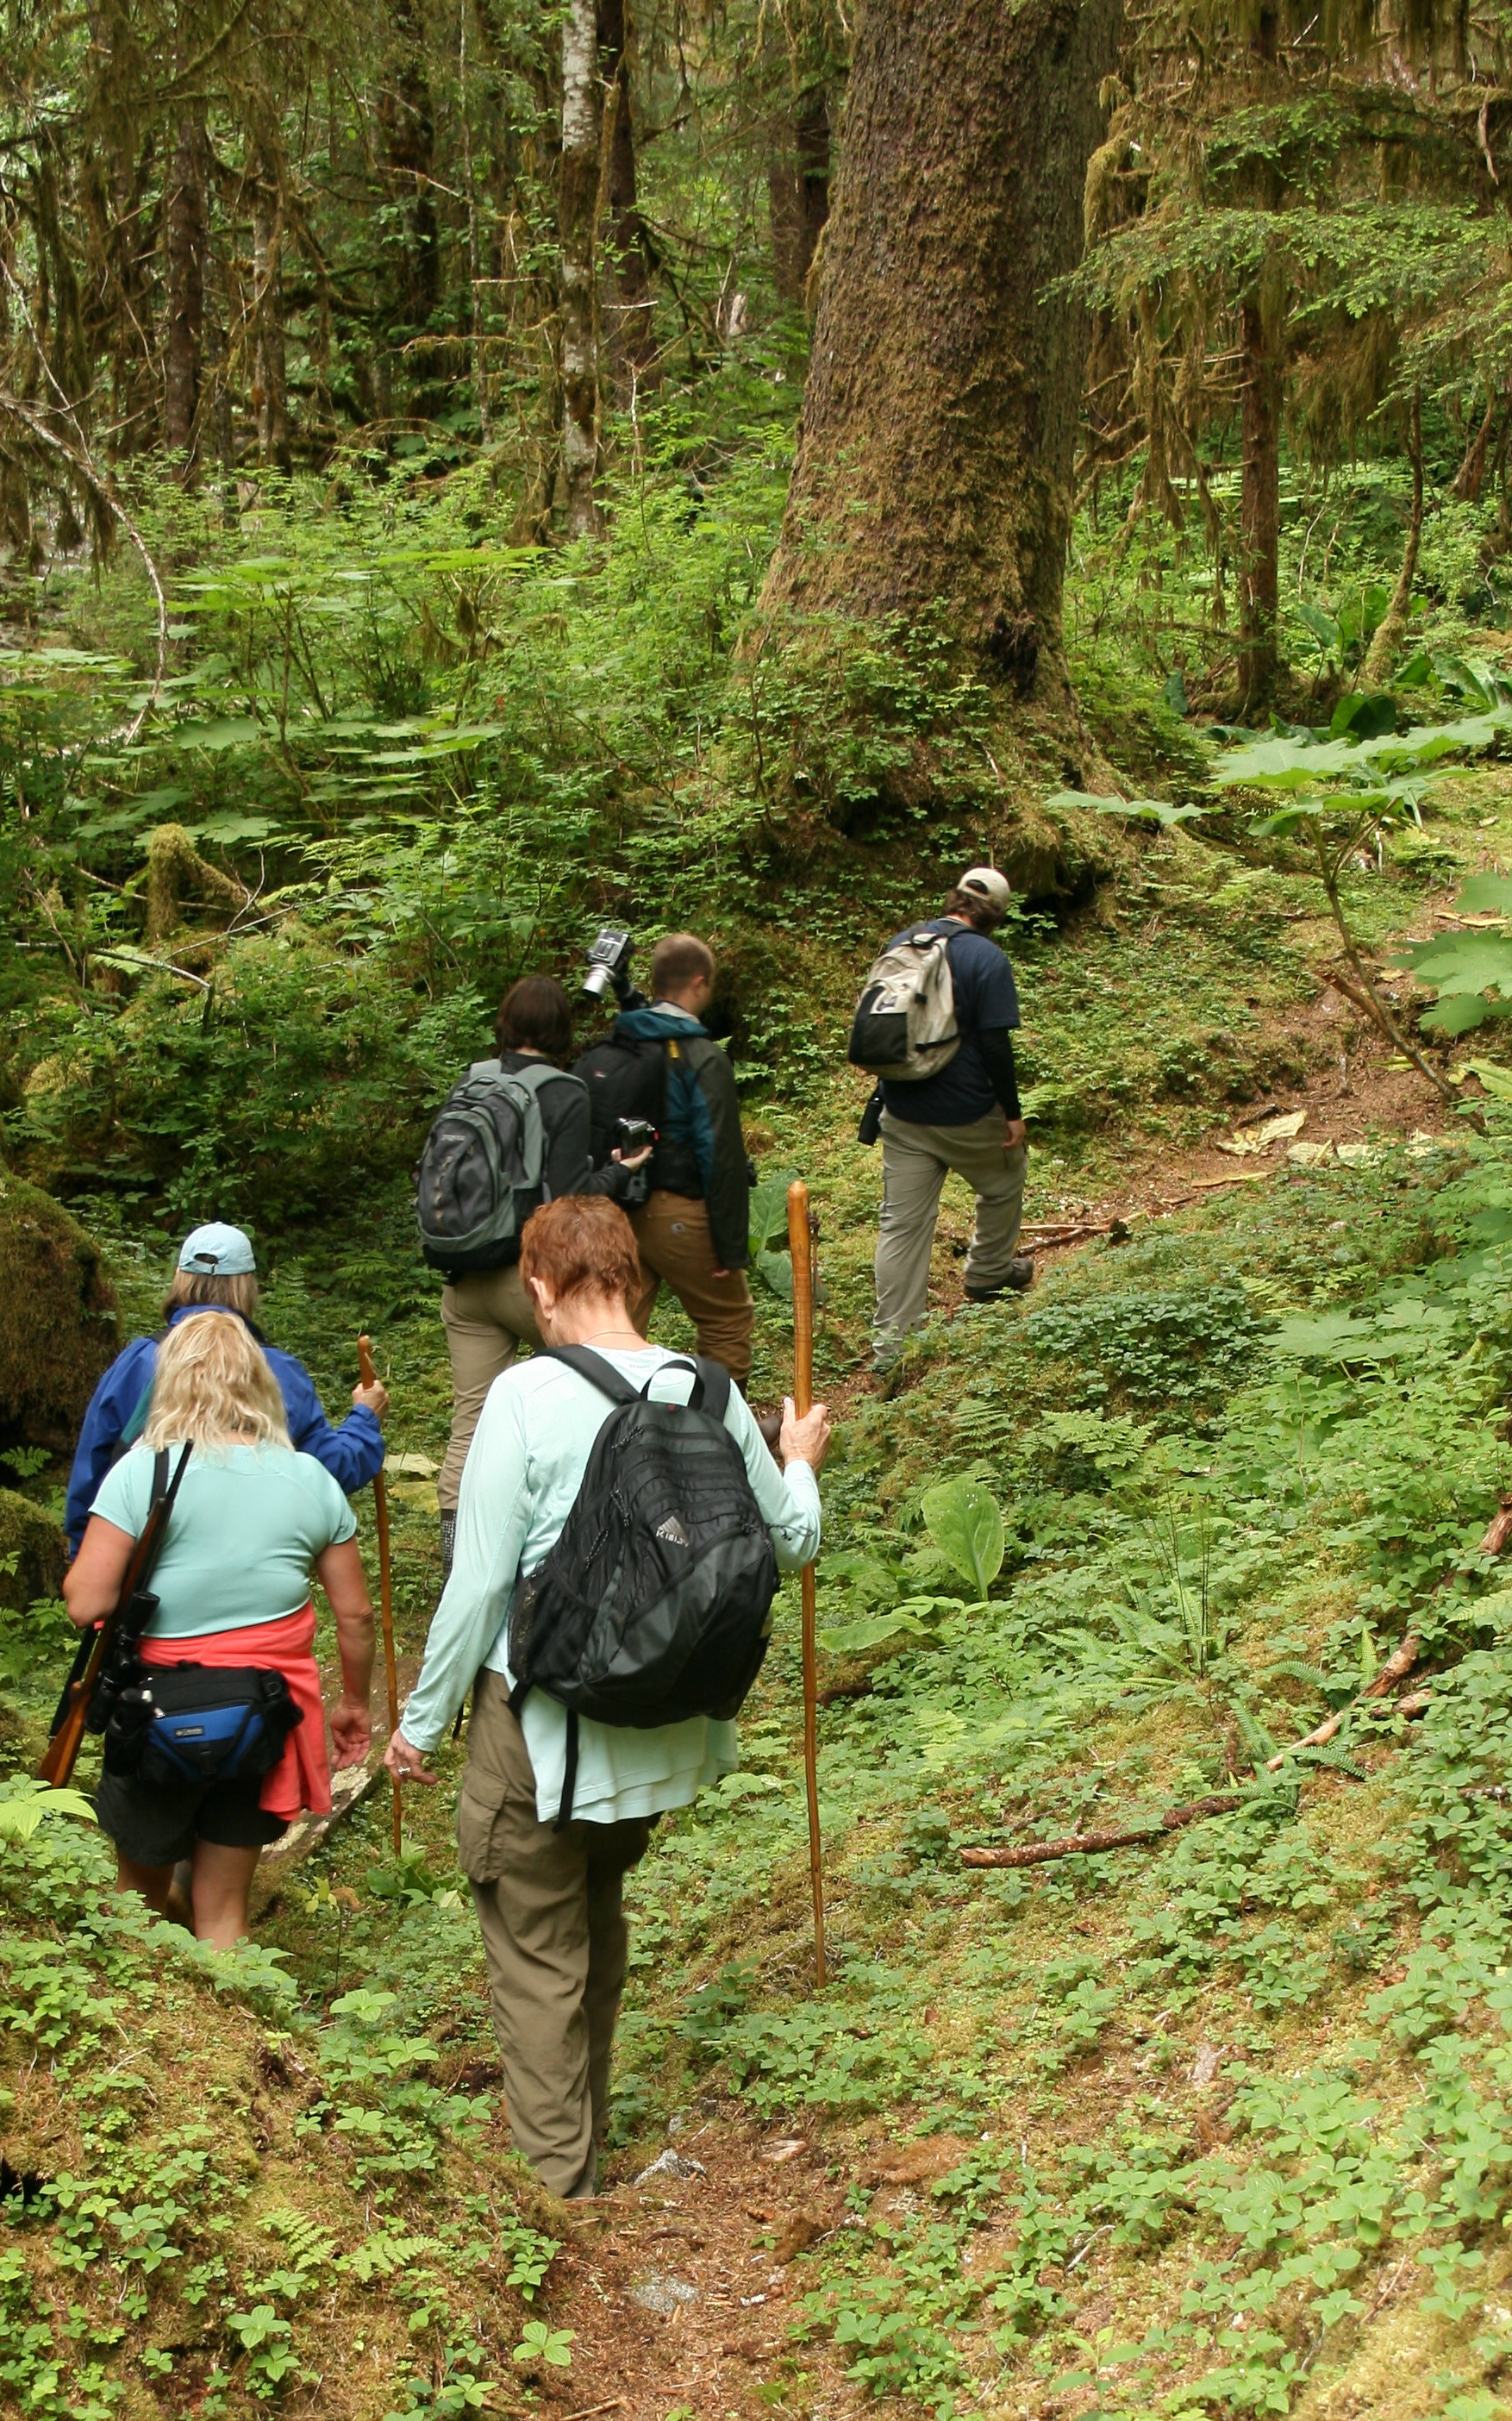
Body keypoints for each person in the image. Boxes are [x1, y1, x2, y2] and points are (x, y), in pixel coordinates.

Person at [387, 1194, 829, 2199]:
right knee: (594, 1912)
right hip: (658, 1732)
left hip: (542, 1733)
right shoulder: (708, 1389)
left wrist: (419, 1725)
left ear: (540, 1288)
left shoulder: (525, 1397)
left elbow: (481, 1584)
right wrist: (799, 1464)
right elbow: (790, 1544)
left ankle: (561, 2197)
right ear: (633, 1278)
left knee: (539, 1951)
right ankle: (577, 2150)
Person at [63, 1309, 376, 1950]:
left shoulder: (143, 1473)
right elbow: (356, 1615)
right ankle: (230, 2030)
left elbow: (83, 1603)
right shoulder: (310, 1478)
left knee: (139, 1900)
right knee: (224, 1906)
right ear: (259, 1382)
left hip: (151, 1712)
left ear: (172, 1381)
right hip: (263, 1714)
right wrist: (353, 1704)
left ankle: (148, 2027)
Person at [435, 975, 647, 1555]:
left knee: (471, 1422)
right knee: (603, 1385)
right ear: (560, 1029)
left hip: (465, 1280)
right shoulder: (564, 1091)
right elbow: (569, 1203)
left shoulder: (472, 1079)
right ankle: (599, 1534)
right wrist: (622, 1171)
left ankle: (459, 1554)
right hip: (530, 1284)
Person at [64, 1222, 384, 1558]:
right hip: (252, 1564)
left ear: (179, 1278)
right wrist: (364, 1418)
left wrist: (88, 1562)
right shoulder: (277, 1372)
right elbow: (329, 1472)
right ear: (247, 1286)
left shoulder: (139, 1361)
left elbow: (93, 1471)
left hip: (141, 1565)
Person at [869, 866, 1034, 1366]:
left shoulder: (904, 942)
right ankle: (987, 1274)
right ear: (995, 917)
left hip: (900, 1108)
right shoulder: (986, 957)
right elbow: (995, 1044)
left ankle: (891, 1349)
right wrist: (1012, 1113)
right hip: (966, 1113)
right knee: (1006, 1176)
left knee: (901, 1226)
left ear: (953, 900)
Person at [576, 932, 755, 1386]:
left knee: (618, 1334)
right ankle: (718, 1437)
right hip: (680, 1213)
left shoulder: (627, 1039)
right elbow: (721, 1153)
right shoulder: (701, 1056)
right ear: (700, 982)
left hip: (619, 1206)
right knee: (726, 1322)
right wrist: (729, 1244)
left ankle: (614, 1436)